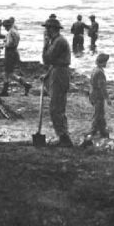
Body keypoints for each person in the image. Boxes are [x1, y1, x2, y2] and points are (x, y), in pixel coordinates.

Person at [42, 17, 74, 147]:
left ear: (52, 29)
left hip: (60, 74)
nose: (45, 31)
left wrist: (44, 44)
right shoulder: (56, 41)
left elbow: (47, 59)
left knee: (56, 107)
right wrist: (47, 74)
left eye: (47, 28)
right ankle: (63, 136)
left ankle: (64, 138)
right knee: (57, 106)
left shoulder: (58, 42)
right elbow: (52, 63)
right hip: (57, 72)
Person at [0, 18, 32, 96]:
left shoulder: (11, 32)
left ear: (7, 26)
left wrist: (3, 45)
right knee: (9, 73)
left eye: (5, 26)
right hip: (14, 52)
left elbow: (10, 43)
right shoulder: (15, 31)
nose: (4, 28)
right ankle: (24, 85)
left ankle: (24, 85)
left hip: (10, 53)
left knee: (8, 73)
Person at [85, 53, 111, 143]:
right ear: (102, 62)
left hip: (93, 93)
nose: (106, 64)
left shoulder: (95, 70)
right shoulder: (100, 72)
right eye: (105, 62)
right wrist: (107, 98)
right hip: (98, 95)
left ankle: (102, 131)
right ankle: (93, 131)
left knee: (99, 113)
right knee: (98, 113)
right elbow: (102, 87)